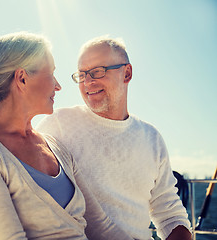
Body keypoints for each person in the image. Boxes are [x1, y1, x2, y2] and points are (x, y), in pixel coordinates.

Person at [0, 32, 131, 240]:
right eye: (51, 74)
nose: (58, 86)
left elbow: (100, 226)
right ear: (22, 79)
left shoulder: (56, 148)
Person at [36, 36, 192, 240]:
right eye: (82, 75)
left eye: (98, 72)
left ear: (127, 73)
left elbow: (170, 214)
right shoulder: (57, 125)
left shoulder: (151, 138)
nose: (88, 82)